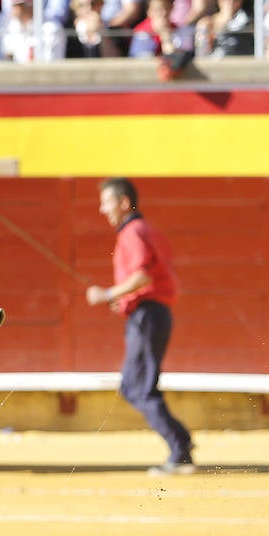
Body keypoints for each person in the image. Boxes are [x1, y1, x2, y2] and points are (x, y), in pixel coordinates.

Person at [85, 179, 194, 475]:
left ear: (123, 203)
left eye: (106, 202)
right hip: (151, 313)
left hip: (147, 316)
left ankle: (180, 450)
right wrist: (124, 299)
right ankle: (181, 442)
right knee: (136, 386)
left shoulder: (132, 233)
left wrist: (108, 294)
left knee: (138, 388)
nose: (101, 208)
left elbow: (143, 277)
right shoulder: (145, 230)